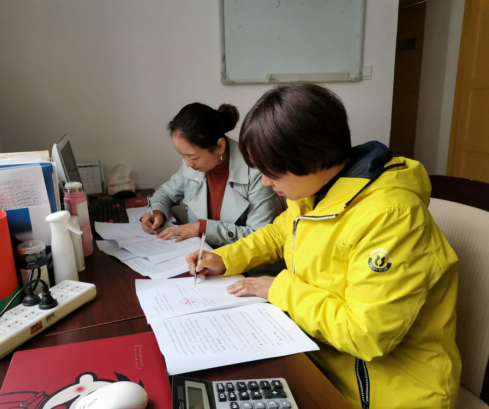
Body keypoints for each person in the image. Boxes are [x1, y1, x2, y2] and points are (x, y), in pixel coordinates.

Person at [185, 83, 461, 409]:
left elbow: (366, 334)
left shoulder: (391, 218)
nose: (266, 182)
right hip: (320, 361)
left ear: (311, 158)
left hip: (385, 393)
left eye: (272, 171)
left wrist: (279, 289)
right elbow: (278, 234)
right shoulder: (316, 191)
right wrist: (223, 257)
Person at [141, 102, 280, 248]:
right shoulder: (193, 165)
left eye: (193, 157)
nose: (187, 163)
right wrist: (157, 212)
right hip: (198, 253)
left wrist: (203, 229)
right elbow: (165, 193)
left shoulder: (256, 172)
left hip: (239, 259)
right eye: (182, 155)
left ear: (220, 146)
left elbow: (259, 236)